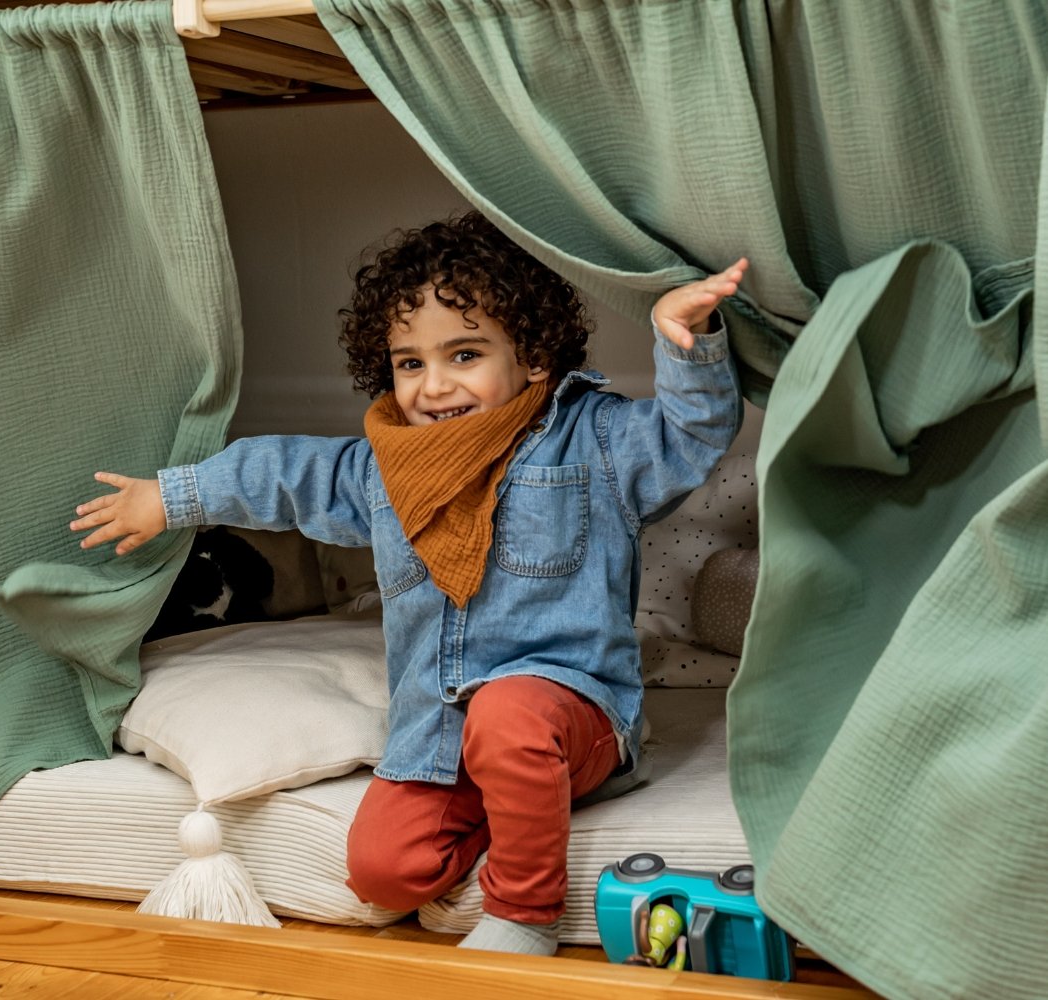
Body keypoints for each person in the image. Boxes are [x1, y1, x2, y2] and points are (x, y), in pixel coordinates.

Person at [70, 211, 745, 956]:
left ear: (534, 357)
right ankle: (518, 803)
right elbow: (286, 473)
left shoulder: (594, 442)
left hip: (566, 709)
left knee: (511, 716)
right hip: (440, 731)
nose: (435, 384)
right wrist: (171, 497)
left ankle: (526, 913)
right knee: (385, 871)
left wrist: (688, 343)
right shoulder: (383, 469)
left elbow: (691, 434)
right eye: (410, 363)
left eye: (464, 353)